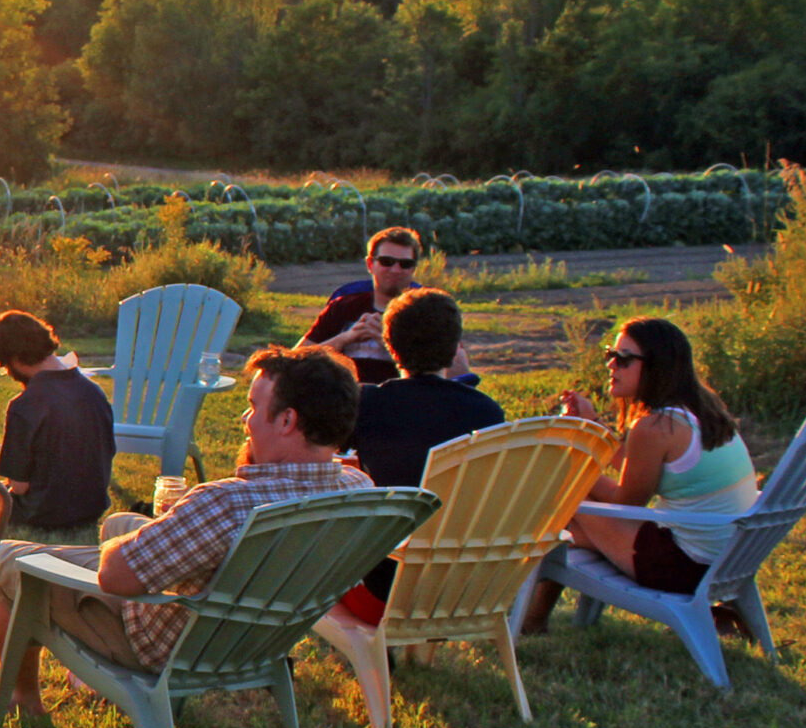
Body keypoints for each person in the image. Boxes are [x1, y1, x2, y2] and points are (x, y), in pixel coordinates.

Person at [0, 346, 370, 712]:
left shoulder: (226, 503)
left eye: (253, 408)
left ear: (287, 421)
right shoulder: (360, 493)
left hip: (159, 643)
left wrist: (160, 531)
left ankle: (21, 696)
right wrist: (174, 526)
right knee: (120, 522)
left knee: (3, 561)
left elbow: (115, 577)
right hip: (256, 642)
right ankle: (87, 666)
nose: (245, 421)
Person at [526, 316, 758, 631]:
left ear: (656, 367)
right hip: (728, 558)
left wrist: (574, 466)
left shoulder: (655, 426)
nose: (611, 366)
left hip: (685, 566)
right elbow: (638, 469)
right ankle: (534, 620)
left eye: (623, 359)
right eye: (611, 355)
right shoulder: (699, 407)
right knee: (571, 524)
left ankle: (532, 621)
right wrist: (593, 431)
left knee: (565, 501)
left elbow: (626, 501)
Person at [337, 288, 505, 622]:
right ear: (455, 346)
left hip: (386, 584)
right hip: (465, 583)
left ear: (390, 344)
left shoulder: (368, 404)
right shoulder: (486, 412)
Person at [0, 309, 113, 532]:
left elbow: (20, 487)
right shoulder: (94, 392)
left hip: (44, 513)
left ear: (14, 360)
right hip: (92, 507)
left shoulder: (25, 405)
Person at [300, 226, 474, 388]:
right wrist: (345, 338)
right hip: (343, 402)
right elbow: (294, 360)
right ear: (370, 264)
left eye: (405, 264)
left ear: (413, 269)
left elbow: (459, 373)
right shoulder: (344, 306)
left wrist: (392, 343)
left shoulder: (428, 312)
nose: (395, 270)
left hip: (408, 400)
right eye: (386, 261)